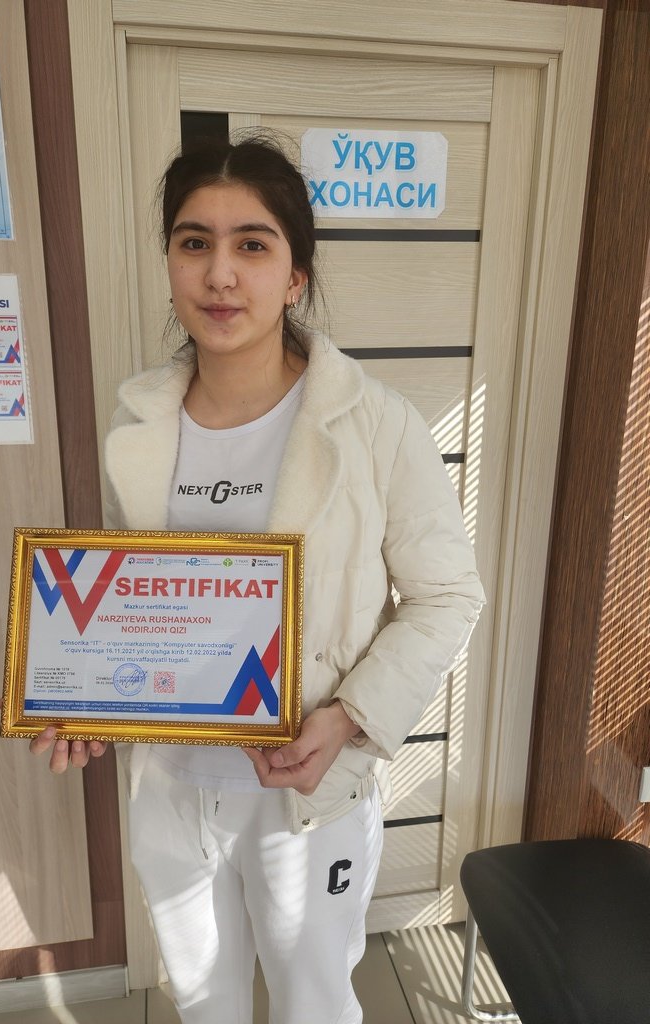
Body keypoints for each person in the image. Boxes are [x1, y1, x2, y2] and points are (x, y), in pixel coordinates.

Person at [31, 134, 485, 1024]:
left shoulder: (376, 424)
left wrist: (349, 716)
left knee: (313, 1004)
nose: (220, 274)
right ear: (170, 261)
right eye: (194, 242)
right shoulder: (138, 423)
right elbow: (127, 608)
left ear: (295, 276)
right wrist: (81, 699)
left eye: (252, 244)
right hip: (172, 784)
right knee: (204, 1003)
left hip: (304, 791)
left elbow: (448, 596)